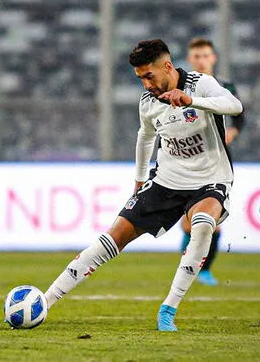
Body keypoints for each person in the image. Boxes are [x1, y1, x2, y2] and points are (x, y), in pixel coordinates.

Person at [43, 39, 242, 332]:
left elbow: (234, 106)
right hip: (165, 180)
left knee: (202, 225)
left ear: (167, 66)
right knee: (113, 237)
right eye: (140, 79)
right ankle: (44, 302)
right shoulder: (148, 101)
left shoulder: (201, 84)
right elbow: (145, 137)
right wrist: (139, 179)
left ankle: (168, 310)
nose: (146, 84)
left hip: (209, 180)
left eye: (149, 76)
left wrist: (192, 101)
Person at [178, 38, 246, 286]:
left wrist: (231, 134)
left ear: (213, 58)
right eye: (196, 56)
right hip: (187, 161)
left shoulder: (225, 86)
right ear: (190, 59)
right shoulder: (181, 87)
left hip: (217, 162)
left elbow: (239, 118)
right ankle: (189, 262)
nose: (201, 60)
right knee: (188, 224)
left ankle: (203, 270)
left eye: (205, 55)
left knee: (211, 222)